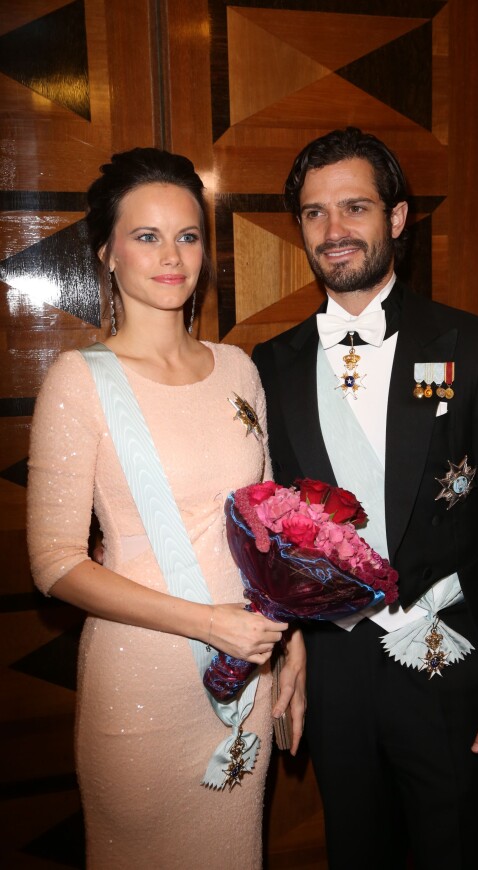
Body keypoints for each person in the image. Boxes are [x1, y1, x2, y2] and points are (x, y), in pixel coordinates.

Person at [252, 127, 478, 869]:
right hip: (335, 674)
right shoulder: (268, 365)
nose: (334, 231)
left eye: (354, 208)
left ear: (396, 218)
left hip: (449, 662)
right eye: (315, 214)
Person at [26, 147, 304, 869]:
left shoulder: (239, 368)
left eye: (187, 235)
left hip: (250, 671)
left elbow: (269, 525)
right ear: (107, 253)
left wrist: (292, 641)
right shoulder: (78, 382)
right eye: (146, 236)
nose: (171, 255)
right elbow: (53, 564)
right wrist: (209, 624)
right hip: (144, 689)